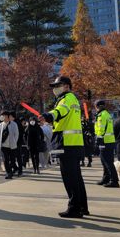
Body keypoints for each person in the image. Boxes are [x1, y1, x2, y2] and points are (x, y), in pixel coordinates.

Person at [39, 76, 88, 218]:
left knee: (69, 178)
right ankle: (82, 206)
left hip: (66, 143)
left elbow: (60, 111)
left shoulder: (66, 99)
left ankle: (74, 208)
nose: (55, 88)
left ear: (66, 86)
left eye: (57, 85)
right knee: (76, 177)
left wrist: (48, 115)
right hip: (74, 143)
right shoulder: (73, 99)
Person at [95, 100, 120, 188]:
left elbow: (101, 128)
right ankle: (106, 178)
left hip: (104, 140)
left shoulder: (102, 115)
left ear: (97, 106)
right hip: (109, 140)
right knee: (105, 160)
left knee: (107, 161)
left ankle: (114, 181)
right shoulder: (107, 114)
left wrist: (98, 138)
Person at [0, 111, 19, 179]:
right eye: (2, 115)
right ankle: (8, 173)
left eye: (4, 115)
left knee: (12, 160)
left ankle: (14, 169)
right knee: (5, 160)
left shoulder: (14, 124)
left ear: (8, 116)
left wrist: (14, 142)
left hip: (12, 146)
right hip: (3, 146)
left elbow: (16, 134)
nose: (3, 116)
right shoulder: (0, 125)